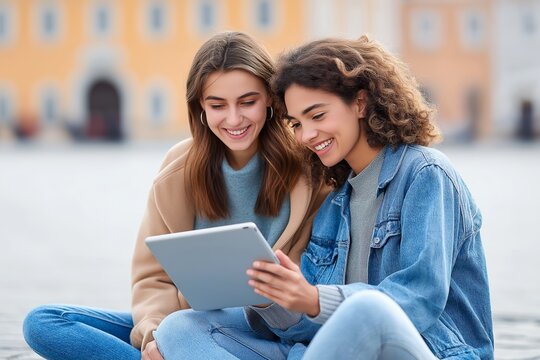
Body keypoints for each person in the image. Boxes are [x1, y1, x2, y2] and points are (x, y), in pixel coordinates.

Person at [153, 35, 493, 360]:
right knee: (180, 328)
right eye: (296, 123)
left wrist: (315, 299)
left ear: (360, 102)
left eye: (317, 116)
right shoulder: (334, 205)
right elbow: (305, 327)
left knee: (368, 308)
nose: (307, 136)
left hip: (430, 351)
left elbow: (420, 297)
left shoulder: (425, 174)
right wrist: (272, 297)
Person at [22, 31, 327, 360]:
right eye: (217, 105)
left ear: (269, 98)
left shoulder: (308, 167)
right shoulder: (178, 169)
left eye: (247, 102)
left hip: (269, 331)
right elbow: (153, 276)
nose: (234, 119)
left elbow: (322, 274)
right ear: (199, 106)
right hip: (186, 321)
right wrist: (155, 335)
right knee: (44, 323)